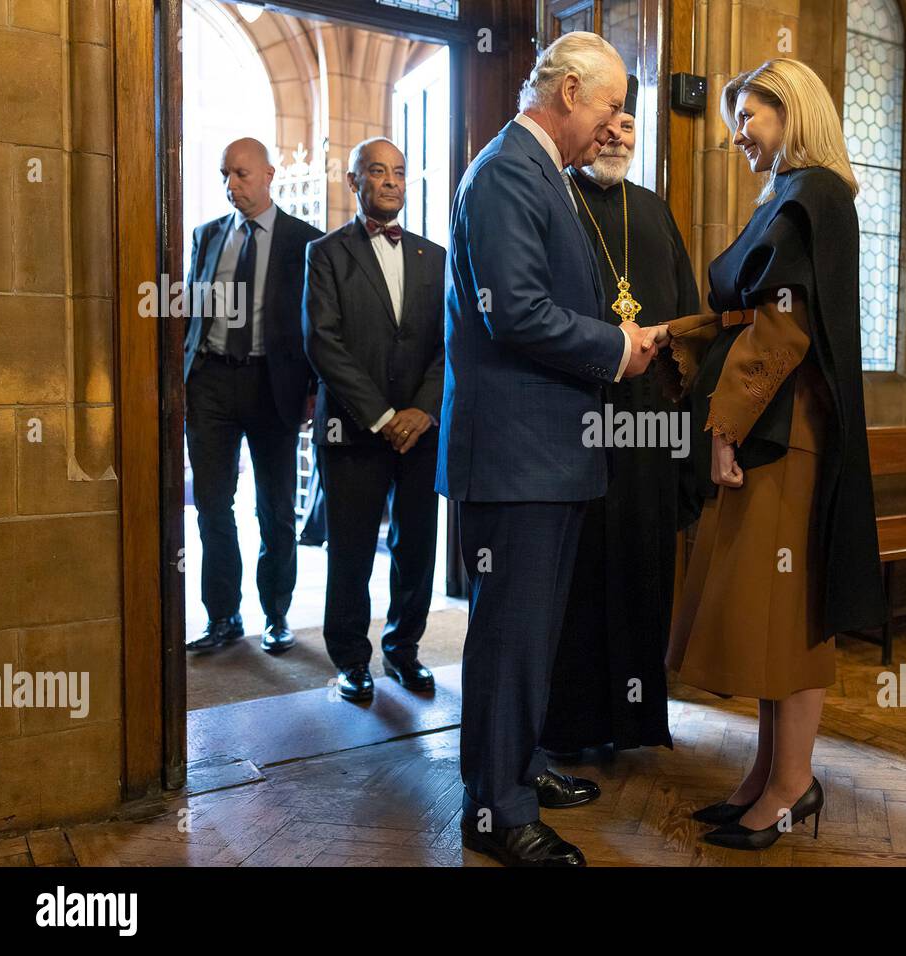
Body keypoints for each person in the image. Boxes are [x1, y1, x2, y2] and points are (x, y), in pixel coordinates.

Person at [649, 59, 887, 850]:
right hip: (768, 425)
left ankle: (793, 783)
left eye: (750, 117)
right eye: (735, 120)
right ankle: (766, 773)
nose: (738, 135)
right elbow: (743, 313)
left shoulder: (815, 192)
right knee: (766, 615)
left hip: (785, 437)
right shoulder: (790, 193)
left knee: (791, 616)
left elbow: (783, 327)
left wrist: (723, 429)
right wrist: (674, 335)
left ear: (795, 113)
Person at [437, 32, 662, 867]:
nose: (614, 127)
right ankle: (495, 809)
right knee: (509, 637)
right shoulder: (506, 172)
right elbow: (517, 312)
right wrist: (615, 348)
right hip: (516, 453)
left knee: (534, 634)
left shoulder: (544, 176)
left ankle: (520, 766)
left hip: (548, 452)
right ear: (569, 91)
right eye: (608, 109)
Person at [540, 75, 700, 757]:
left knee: (640, 569)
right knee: (578, 580)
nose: (616, 135)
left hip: (648, 429)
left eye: (629, 127)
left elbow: (690, 316)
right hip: (579, 422)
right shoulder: (556, 199)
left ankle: (634, 724)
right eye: (608, 122)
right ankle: (572, 727)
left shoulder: (656, 210)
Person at [303, 137, 446, 701]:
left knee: (417, 547)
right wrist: (382, 415)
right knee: (353, 550)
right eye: (378, 171)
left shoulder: (434, 256)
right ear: (354, 181)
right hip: (353, 428)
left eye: (400, 173)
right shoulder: (325, 253)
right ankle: (350, 660)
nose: (390, 181)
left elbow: (447, 342)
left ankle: (403, 651)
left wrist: (421, 410)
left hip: (420, 432)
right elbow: (322, 342)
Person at [184, 137, 322, 656]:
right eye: (224, 175)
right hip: (212, 384)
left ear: (268, 175)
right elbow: (190, 314)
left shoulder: (305, 242)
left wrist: (313, 388)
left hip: (274, 386)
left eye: (240, 174)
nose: (230, 185)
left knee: (275, 509)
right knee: (212, 507)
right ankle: (223, 615)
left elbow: (319, 325)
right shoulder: (207, 237)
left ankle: (277, 614)